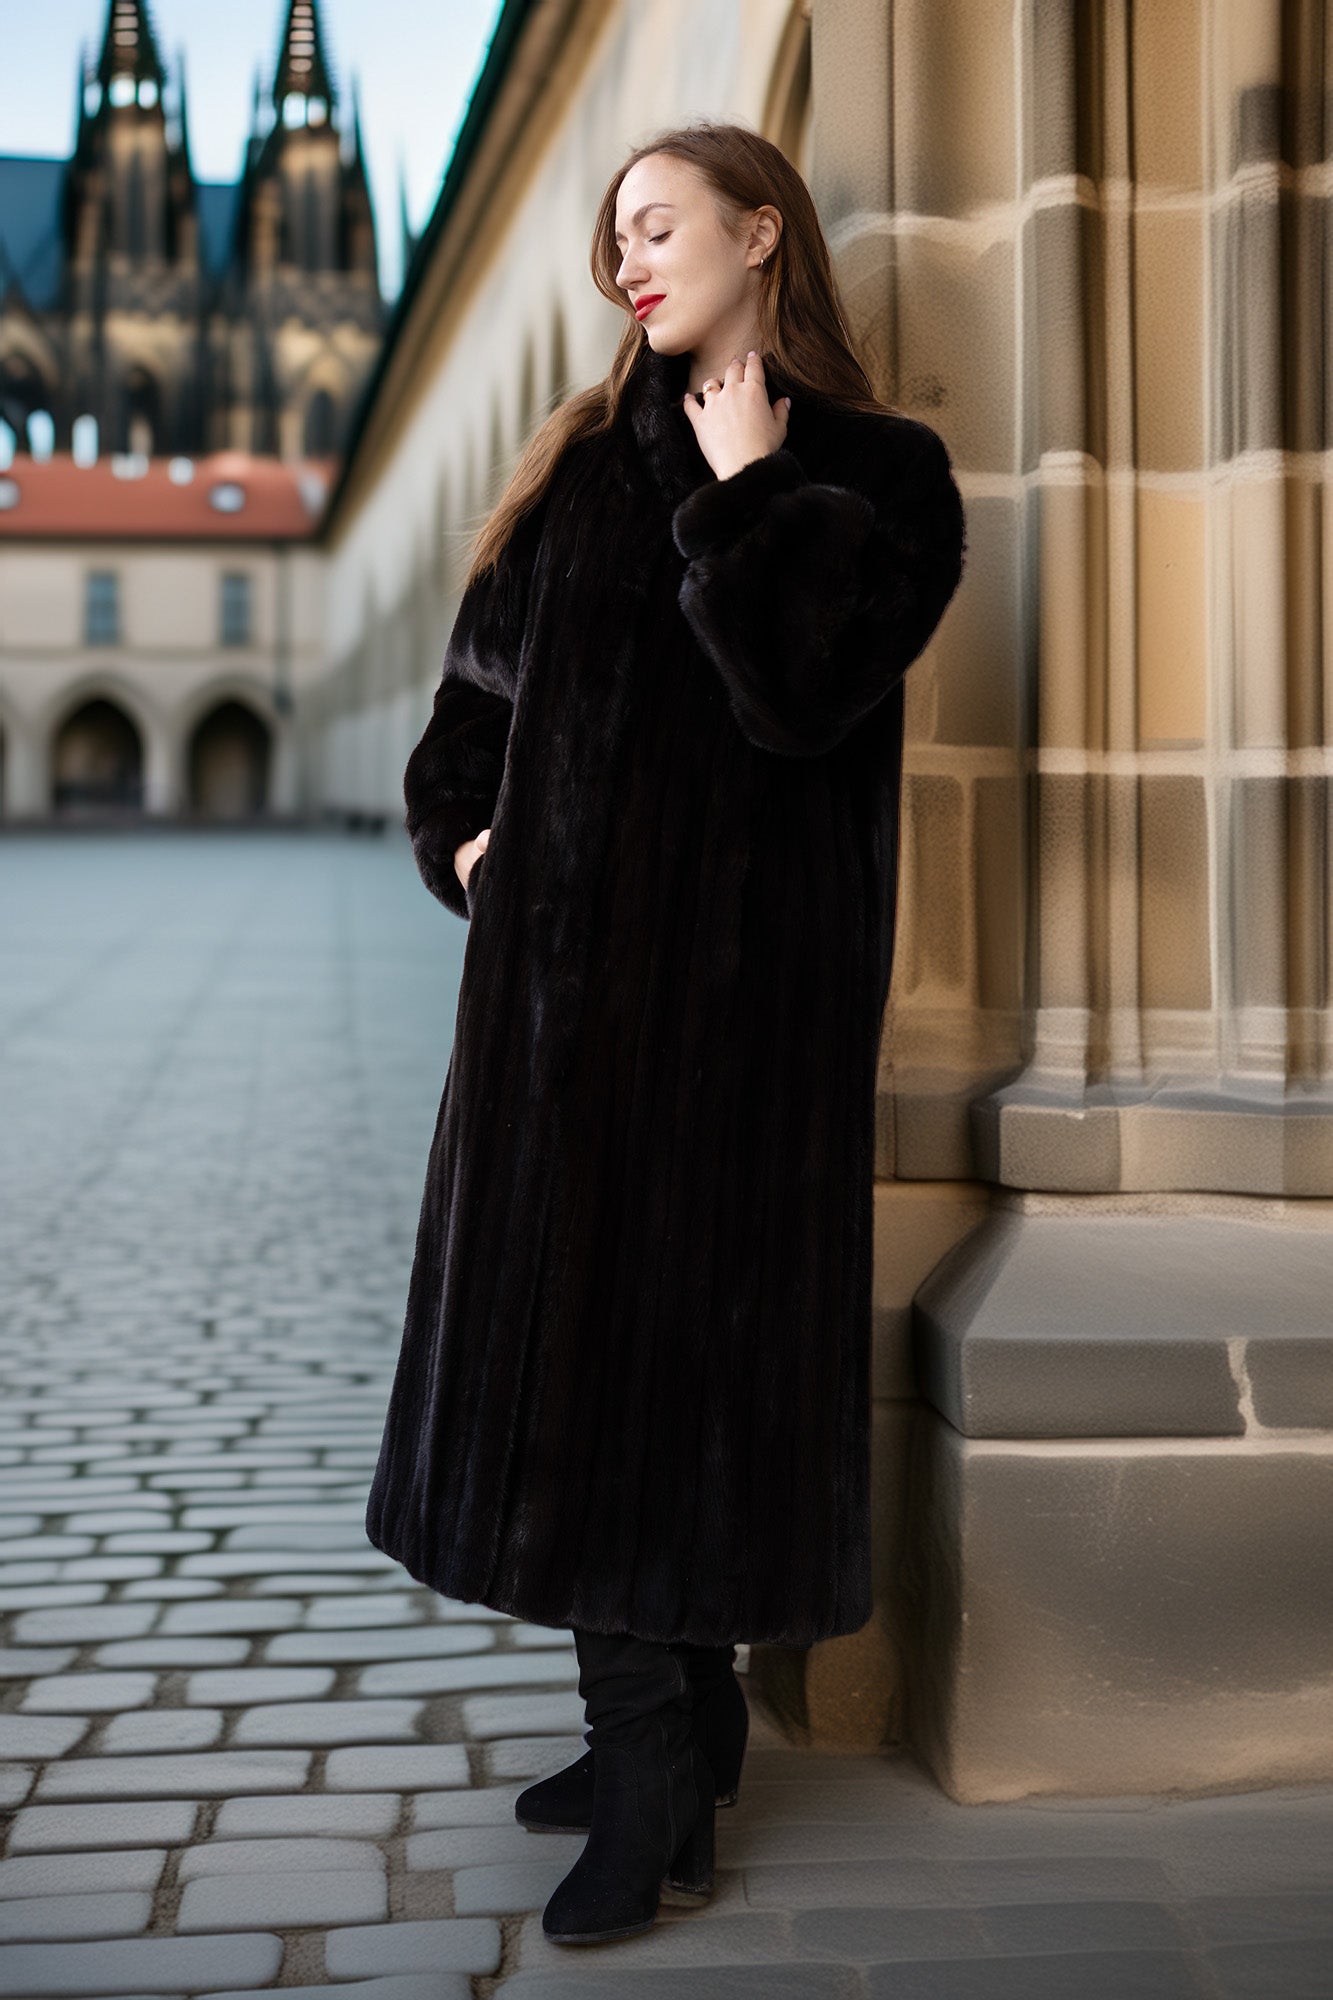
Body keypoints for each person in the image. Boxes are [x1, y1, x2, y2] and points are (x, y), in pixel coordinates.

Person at [364, 119, 968, 1946]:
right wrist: (471, 847)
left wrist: (744, 493)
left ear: (759, 232)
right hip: (549, 1021)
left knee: (672, 1382)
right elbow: (468, 710)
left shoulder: (876, 472)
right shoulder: (574, 462)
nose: (626, 262)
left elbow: (798, 700)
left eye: (655, 225)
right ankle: (670, 1733)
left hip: (739, 1028)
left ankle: (657, 1765)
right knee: (567, 1378)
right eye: (611, 239)